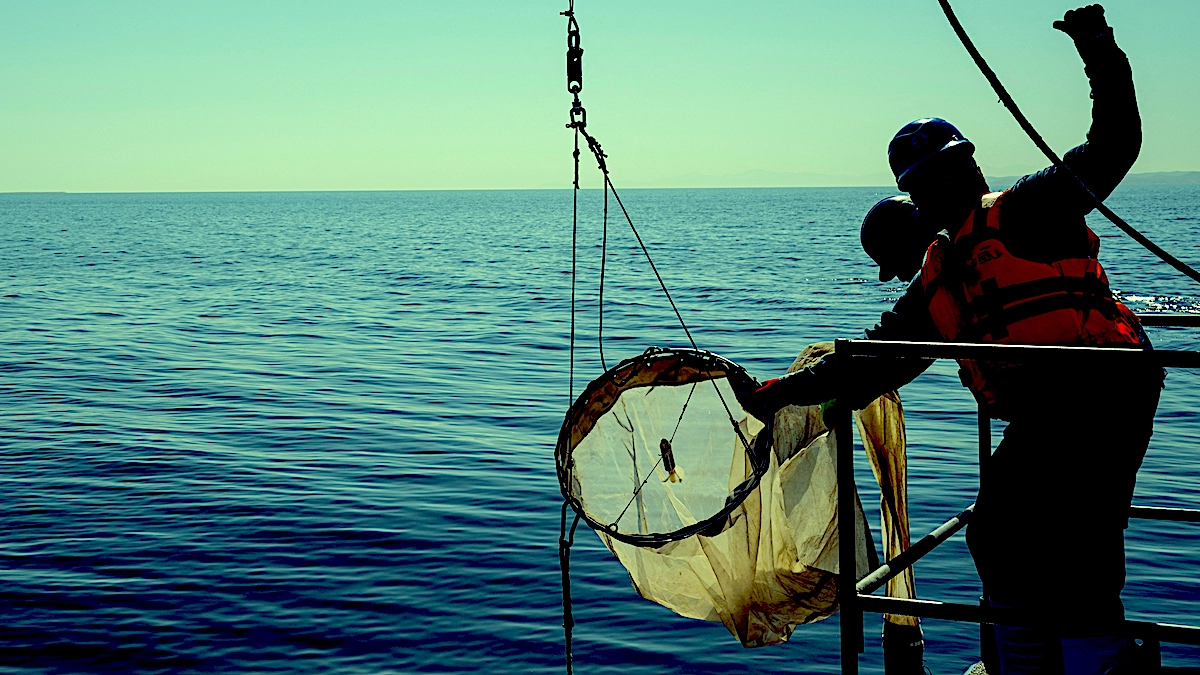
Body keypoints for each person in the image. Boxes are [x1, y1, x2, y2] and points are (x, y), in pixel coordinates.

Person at [741, 5, 1165, 674]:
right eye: (923, 184)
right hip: (1047, 412)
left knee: (1073, 551)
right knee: (1000, 535)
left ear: (964, 169)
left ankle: (1093, 664)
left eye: (944, 174)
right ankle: (1032, 661)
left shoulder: (1029, 208)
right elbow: (876, 361)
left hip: (1101, 387)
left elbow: (1114, 141)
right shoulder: (942, 276)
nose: (940, 188)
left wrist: (1096, 46)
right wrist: (778, 392)